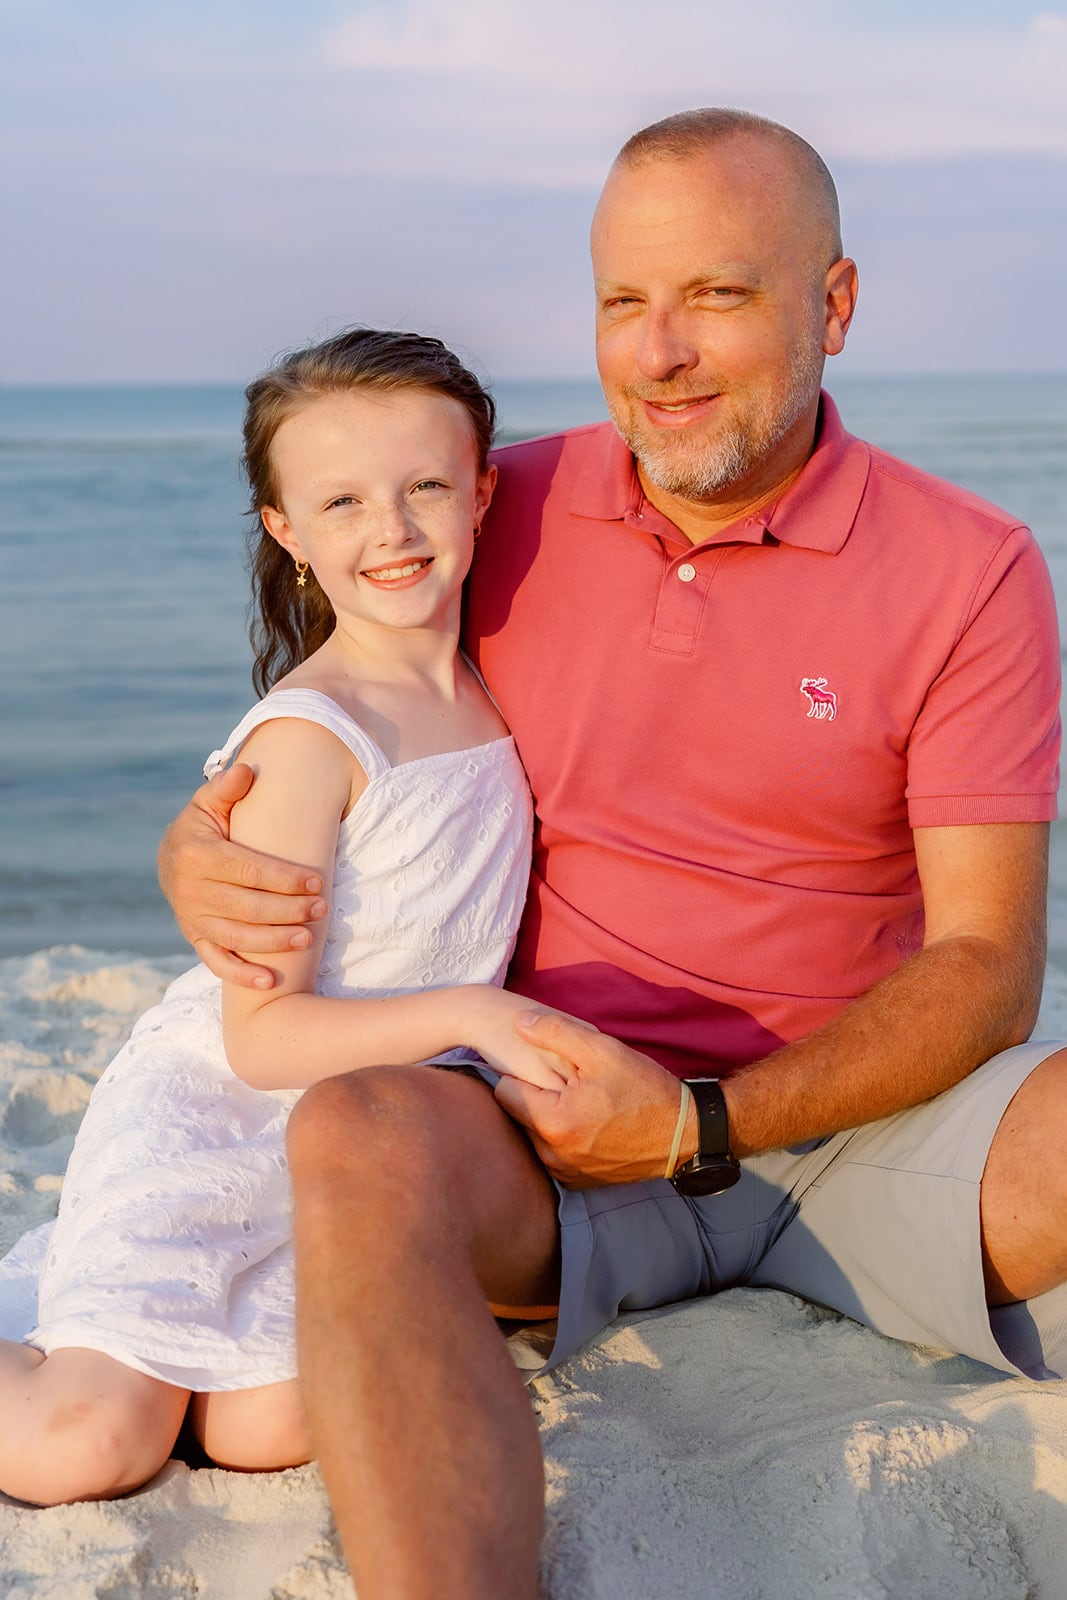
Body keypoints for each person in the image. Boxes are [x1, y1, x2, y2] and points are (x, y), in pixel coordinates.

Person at [160, 110, 1065, 1600]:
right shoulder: (488, 508)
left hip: (856, 1129)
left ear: (829, 307)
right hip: (548, 1129)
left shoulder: (968, 568)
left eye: (716, 294)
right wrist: (195, 845)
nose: (660, 353)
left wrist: (703, 1126)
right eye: (621, 304)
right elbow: (324, 719)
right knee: (358, 1134)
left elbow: (983, 968)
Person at [0, 327, 574, 1509]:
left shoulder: (483, 682)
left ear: (481, 490)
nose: (393, 529)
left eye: (424, 485)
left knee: (273, 1425)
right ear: (286, 531)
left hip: (343, 1151)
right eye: (342, 500)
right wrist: (479, 1012)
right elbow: (260, 1040)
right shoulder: (312, 737)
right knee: (86, 1446)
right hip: (222, 1119)